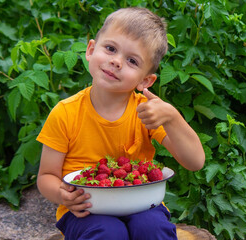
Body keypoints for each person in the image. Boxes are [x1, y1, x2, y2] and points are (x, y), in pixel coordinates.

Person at [36, 7, 205, 240]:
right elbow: (46, 177)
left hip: (142, 204)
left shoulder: (145, 112)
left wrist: (173, 117)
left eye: (132, 61)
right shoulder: (65, 113)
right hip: (85, 210)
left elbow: (195, 162)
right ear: (91, 49)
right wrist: (63, 195)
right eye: (111, 49)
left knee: (151, 228)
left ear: (145, 80)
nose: (116, 61)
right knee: (108, 232)